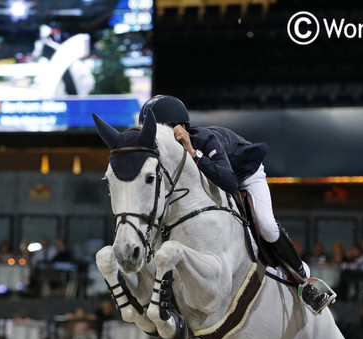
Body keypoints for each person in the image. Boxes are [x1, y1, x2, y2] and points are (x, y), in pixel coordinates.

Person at [138, 95, 335, 314]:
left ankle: (305, 281)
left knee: (267, 226)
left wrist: (194, 154)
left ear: (181, 128)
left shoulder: (205, 139)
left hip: (244, 175)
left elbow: (229, 182)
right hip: (216, 178)